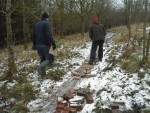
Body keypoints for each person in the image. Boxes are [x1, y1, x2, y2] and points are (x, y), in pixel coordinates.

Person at [32, 12, 56, 78]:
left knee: (42, 59)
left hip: (37, 45)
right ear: (47, 18)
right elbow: (49, 35)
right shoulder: (47, 24)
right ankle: (39, 67)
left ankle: (43, 76)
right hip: (45, 45)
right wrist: (53, 43)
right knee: (51, 59)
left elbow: (33, 36)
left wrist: (34, 45)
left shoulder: (36, 24)